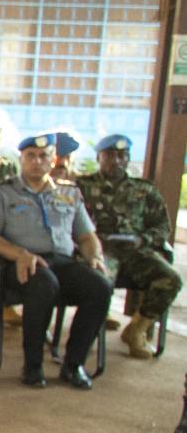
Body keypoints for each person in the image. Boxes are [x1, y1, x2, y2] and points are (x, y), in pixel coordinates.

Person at [0, 133, 111, 390]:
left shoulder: (69, 193)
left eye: (43, 156)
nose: (37, 161)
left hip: (62, 262)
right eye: (31, 156)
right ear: (21, 159)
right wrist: (19, 254)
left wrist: (94, 257)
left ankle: (74, 364)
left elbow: (86, 236)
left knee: (100, 287)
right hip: (19, 263)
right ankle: (33, 365)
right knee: (44, 284)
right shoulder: (2, 192)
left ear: (53, 159)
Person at [75, 134, 182, 358]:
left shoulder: (144, 189)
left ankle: (137, 328)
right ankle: (86, 335)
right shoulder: (81, 187)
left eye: (122, 156)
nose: (116, 160)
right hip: (100, 250)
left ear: (128, 159)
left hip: (136, 251)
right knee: (99, 281)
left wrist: (143, 240)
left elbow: (162, 226)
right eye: (110, 155)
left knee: (170, 279)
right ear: (99, 157)